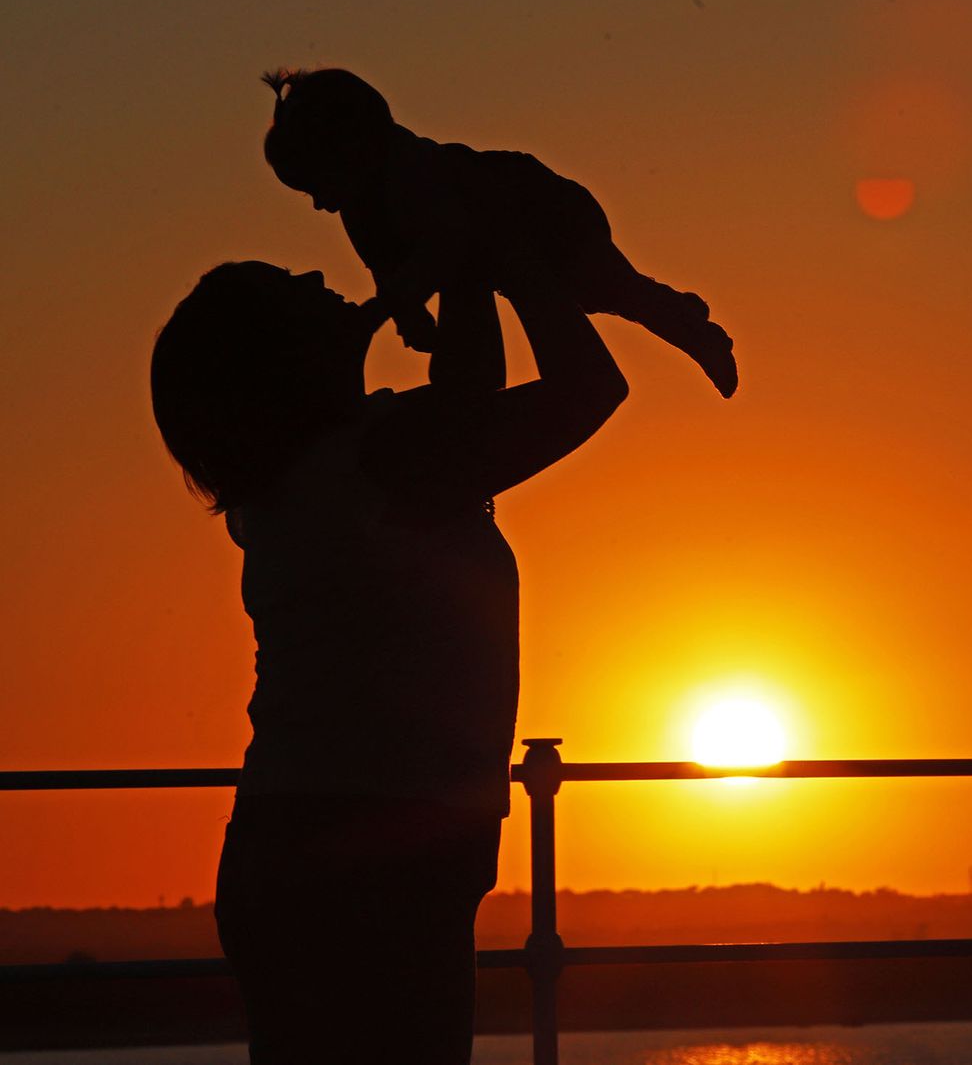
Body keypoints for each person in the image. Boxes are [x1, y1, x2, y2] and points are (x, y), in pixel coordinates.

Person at [150, 260, 627, 1064]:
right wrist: (497, 254)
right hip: (371, 863)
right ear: (281, 357)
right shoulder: (374, 463)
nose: (313, 273)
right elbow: (584, 390)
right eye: (288, 289)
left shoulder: (331, 468)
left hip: (337, 846)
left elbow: (474, 387)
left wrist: (465, 266)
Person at [261, 66, 738, 397]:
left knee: (602, 289)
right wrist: (410, 317)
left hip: (545, 209)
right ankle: (669, 307)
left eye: (320, 185)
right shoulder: (359, 209)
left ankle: (688, 326)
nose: (322, 204)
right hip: (501, 243)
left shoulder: (414, 173)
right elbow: (388, 268)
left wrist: (386, 311)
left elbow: (443, 246)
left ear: (359, 149)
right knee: (596, 295)